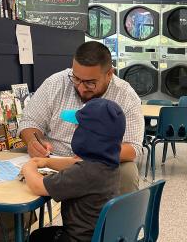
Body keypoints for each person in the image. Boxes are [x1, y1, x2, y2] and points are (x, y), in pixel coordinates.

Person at [18, 41, 144, 194]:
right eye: (76, 78)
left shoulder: (126, 96)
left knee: (128, 172)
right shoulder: (55, 83)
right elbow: (29, 121)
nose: (81, 88)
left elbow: (133, 148)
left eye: (90, 83)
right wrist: (33, 141)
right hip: (53, 157)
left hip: (98, 162)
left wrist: (92, 155)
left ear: (109, 74)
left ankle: (117, 218)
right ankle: (22, 216)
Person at [22, 98, 125, 242]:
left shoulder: (85, 173)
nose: (74, 129)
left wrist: (28, 167)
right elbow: (75, 163)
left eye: (77, 127)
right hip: (98, 236)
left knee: (37, 237)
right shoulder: (108, 165)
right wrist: (46, 161)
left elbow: (37, 186)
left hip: (77, 238)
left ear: (88, 135)